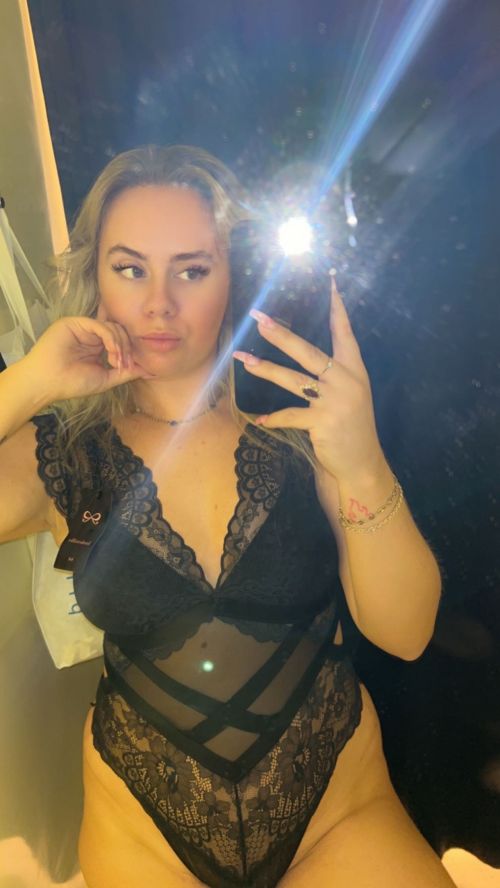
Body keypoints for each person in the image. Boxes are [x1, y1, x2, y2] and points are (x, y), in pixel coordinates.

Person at [0, 145, 457, 887]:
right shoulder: (62, 450)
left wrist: (364, 462)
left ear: (233, 276)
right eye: (130, 269)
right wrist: (29, 382)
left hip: (337, 817)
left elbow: (405, 634)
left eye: (191, 270)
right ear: (96, 278)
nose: (158, 304)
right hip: (144, 837)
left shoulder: (303, 425)